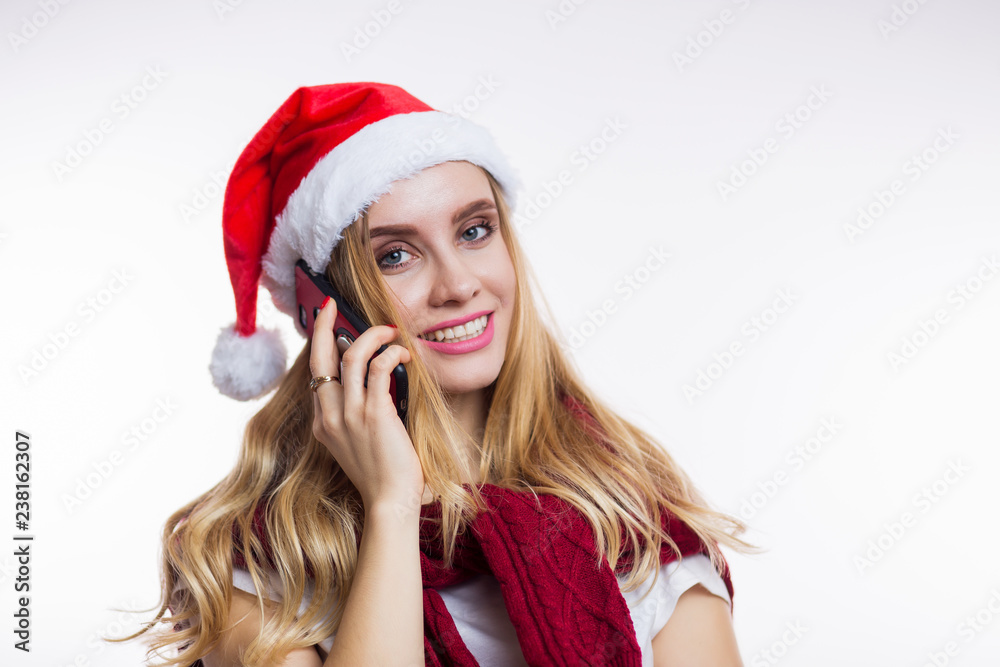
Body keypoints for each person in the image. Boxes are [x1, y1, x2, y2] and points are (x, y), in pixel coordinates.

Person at [120, 83, 759, 666]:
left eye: (475, 230)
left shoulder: (636, 515)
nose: (458, 285)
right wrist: (392, 505)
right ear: (327, 309)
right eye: (396, 256)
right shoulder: (253, 561)